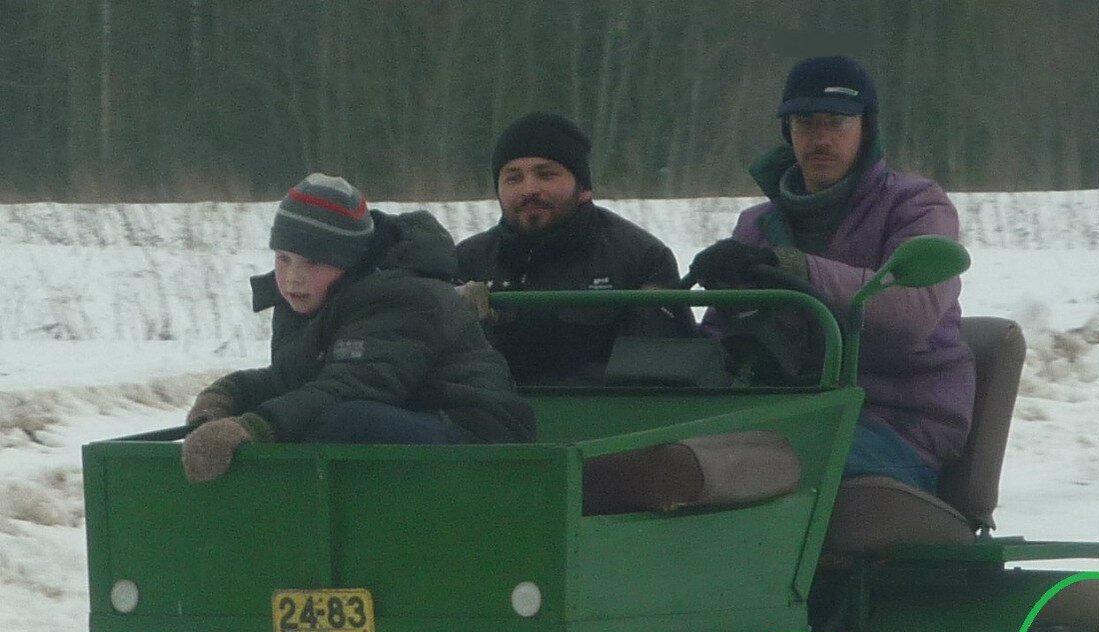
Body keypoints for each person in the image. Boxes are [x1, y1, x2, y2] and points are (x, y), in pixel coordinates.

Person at [687, 56, 973, 492]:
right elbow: (720, 337)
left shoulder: (917, 207)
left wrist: (795, 269)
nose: (819, 138)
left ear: (866, 128)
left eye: (836, 122)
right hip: (784, 416)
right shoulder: (757, 226)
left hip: (897, 428)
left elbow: (909, 315)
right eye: (804, 122)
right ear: (788, 131)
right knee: (668, 455)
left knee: (750, 466)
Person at [181, 173, 535, 484]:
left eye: (314, 261)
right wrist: (228, 394)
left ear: (349, 261)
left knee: (343, 422)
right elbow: (293, 377)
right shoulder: (311, 297)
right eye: (283, 259)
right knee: (323, 419)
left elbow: (352, 386)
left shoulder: (405, 296)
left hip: (480, 437)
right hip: (413, 417)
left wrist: (255, 427)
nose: (292, 278)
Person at [456, 112, 691, 385]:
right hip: (492, 419)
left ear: (584, 188)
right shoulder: (467, 262)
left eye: (546, 175)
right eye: (513, 178)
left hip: (607, 419)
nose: (529, 189)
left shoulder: (641, 258)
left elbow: (656, 371)